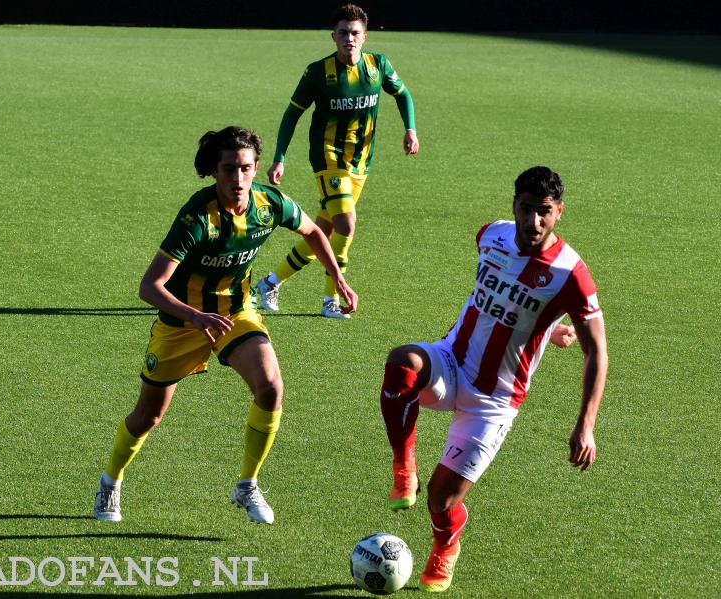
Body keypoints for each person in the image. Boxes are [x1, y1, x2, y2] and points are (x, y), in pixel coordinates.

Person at [93, 126, 357, 525]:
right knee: (148, 415)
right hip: (183, 322)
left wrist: (336, 276)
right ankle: (111, 480)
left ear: (255, 170)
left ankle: (247, 485)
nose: (238, 179)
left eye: (246, 169)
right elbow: (150, 286)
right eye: (229, 169)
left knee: (271, 386)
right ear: (214, 171)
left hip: (235, 313)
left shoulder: (270, 204)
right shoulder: (197, 218)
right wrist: (195, 316)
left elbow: (315, 231)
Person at [379, 166, 608, 592]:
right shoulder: (492, 234)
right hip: (450, 361)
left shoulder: (572, 274)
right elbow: (502, 293)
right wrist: (540, 324)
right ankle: (402, 465)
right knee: (401, 363)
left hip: (494, 400)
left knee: (441, 500)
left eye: (544, 212)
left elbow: (597, 350)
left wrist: (586, 425)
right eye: (525, 209)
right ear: (514, 206)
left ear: (559, 212)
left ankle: (446, 545)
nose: (533, 222)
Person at [255, 3, 419, 319]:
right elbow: (292, 114)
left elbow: (403, 94)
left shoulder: (378, 65)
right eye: (343, 32)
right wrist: (280, 159)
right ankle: (331, 299)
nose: (349, 38)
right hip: (327, 157)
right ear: (333, 36)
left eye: (355, 32)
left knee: (324, 232)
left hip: (361, 162)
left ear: (365, 36)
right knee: (347, 222)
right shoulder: (318, 72)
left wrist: (410, 129)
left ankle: (270, 282)